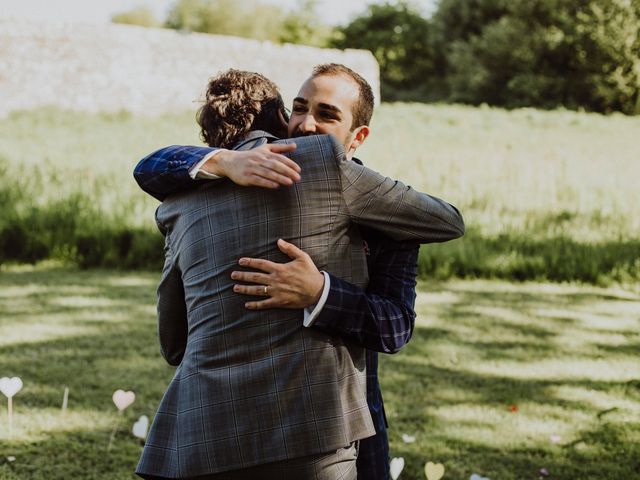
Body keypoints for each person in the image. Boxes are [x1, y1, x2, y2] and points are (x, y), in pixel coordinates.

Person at [134, 69, 464, 480]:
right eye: (300, 107)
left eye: (326, 114)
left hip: (329, 420)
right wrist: (226, 161)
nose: (306, 123)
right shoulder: (226, 175)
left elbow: (395, 326)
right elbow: (149, 166)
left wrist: (319, 292)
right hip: (310, 438)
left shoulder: (384, 213)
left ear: (357, 136)